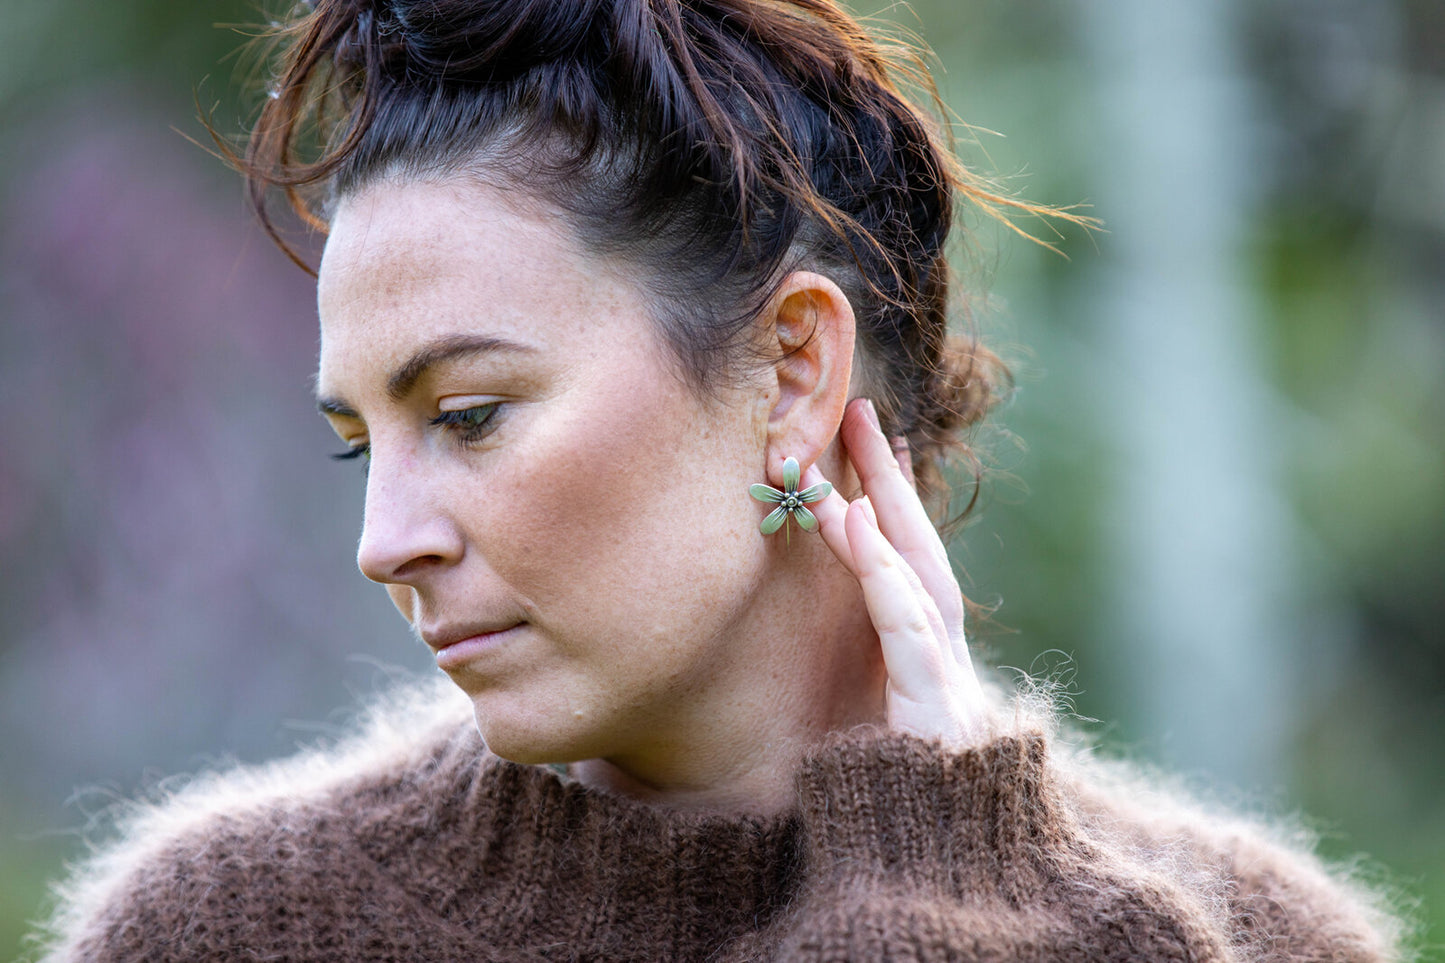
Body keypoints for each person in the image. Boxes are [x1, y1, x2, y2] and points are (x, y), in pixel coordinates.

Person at [33, 1, 1406, 960]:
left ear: (793, 374)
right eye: (357, 439)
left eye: (467, 413)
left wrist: (942, 895)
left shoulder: (1248, 943)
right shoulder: (224, 931)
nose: (380, 543)